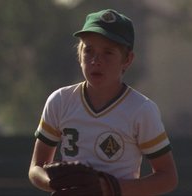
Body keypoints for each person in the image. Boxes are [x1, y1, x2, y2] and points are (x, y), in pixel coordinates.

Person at [28, 9, 178, 195]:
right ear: (79, 54)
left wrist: (110, 188)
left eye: (108, 52)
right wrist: (56, 184)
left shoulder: (141, 109)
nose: (96, 60)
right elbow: (36, 168)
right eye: (88, 50)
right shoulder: (59, 100)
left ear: (127, 59)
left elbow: (167, 177)